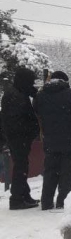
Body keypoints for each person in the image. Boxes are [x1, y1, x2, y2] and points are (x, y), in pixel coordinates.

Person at [33, 70, 71, 210]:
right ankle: (63, 201)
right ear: (65, 81)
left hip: (50, 140)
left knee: (50, 171)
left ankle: (46, 202)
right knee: (67, 172)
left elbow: (36, 113)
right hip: (70, 140)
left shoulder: (40, 95)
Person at [0, 67, 41, 210]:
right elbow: (17, 120)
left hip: (19, 137)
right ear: (24, 81)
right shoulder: (14, 96)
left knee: (22, 165)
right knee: (20, 167)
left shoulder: (17, 93)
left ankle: (24, 195)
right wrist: (29, 131)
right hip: (19, 138)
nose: (33, 84)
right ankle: (17, 198)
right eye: (31, 81)